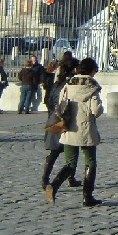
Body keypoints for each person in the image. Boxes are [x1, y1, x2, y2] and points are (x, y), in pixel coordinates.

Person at [45, 57, 103, 206]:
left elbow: (60, 105)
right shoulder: (92, 86)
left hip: (69, 127)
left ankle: (54, 185)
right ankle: (87, 197)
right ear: (91, 71)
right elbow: (96, 110)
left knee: (70, 163)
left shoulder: (68, 84)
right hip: (86, 128)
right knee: (90, 162)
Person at [41, 52, 81, 191]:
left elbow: (47, 100)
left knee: (55, 152)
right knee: (70, 151)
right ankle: (67, 178)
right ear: (75, 69)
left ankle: (46, 178)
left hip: (53, 117)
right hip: (64, 120)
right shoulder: (70, 84)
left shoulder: (57, 83)